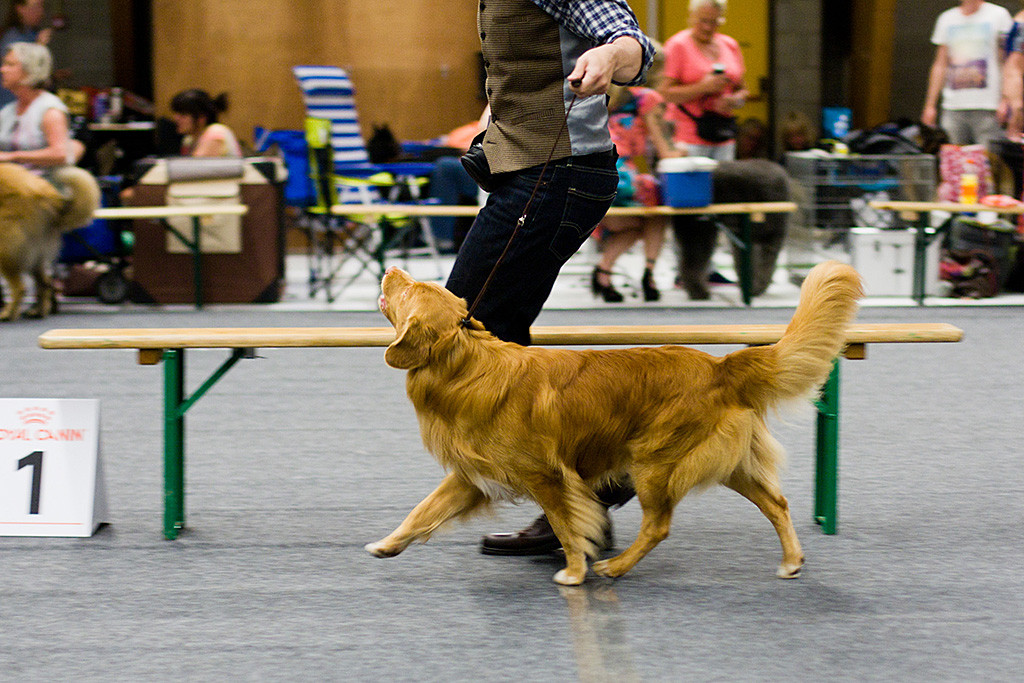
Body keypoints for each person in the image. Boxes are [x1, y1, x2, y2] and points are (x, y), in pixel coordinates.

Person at [457, 0, 654, 556]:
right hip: (543, 170)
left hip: (555, 173)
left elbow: (633, 43)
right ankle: (592, 484)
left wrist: (610, 55)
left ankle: (600, 477)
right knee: (496, 334)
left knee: (467, 329)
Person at [659, 0, 748, 300]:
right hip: (688, 135)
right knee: (688, 205)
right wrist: (703, 87)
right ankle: (684, 269)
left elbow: (743, 89)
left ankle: (708, 266)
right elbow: (664, 92)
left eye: (714, 21)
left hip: (722, 135)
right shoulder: (677, 46)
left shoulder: (730, 44)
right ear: (691, 17)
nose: (708, 28)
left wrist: (733, 100)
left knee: (720, 203)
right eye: (703, 21)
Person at [592, 75, 679, 303]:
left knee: (635, 224)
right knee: (656, 206)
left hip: (589, 177)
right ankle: (649, 275)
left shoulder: (590, 95)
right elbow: (665, 151)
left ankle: (603, 272)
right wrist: (685, 153)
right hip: (619, 176)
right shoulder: (647, 98)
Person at [922, 0, 1013, 146]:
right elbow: (940, 64)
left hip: (988, 105)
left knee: (988, 161)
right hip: (953, 105)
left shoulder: (998, 15)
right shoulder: (947, 18)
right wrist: (930, 105)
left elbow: (1007, 62)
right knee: (953, 161)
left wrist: (1006, 99)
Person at [0, 42, 76, 171]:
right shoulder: (8, 110)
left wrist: (13, 156)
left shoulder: (50, 109)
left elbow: (61, 154)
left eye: (10, 64)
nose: (2, 69)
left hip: (43, 187)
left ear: (30, 70)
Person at [0, 0, 51, 108]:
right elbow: (18, 73)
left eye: (41, 7)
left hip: (24, 102)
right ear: (20, 9)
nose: (41, 12)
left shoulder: (31, 34)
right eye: (36, 7)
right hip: (10, 101)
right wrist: (40, 46)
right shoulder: (14, 37)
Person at [169, 89, 242, 158]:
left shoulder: (215, 132)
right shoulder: (189, 140)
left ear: (201, 117)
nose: (176, 118)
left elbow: (194, 168)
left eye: (183, 114)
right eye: (176, 113)